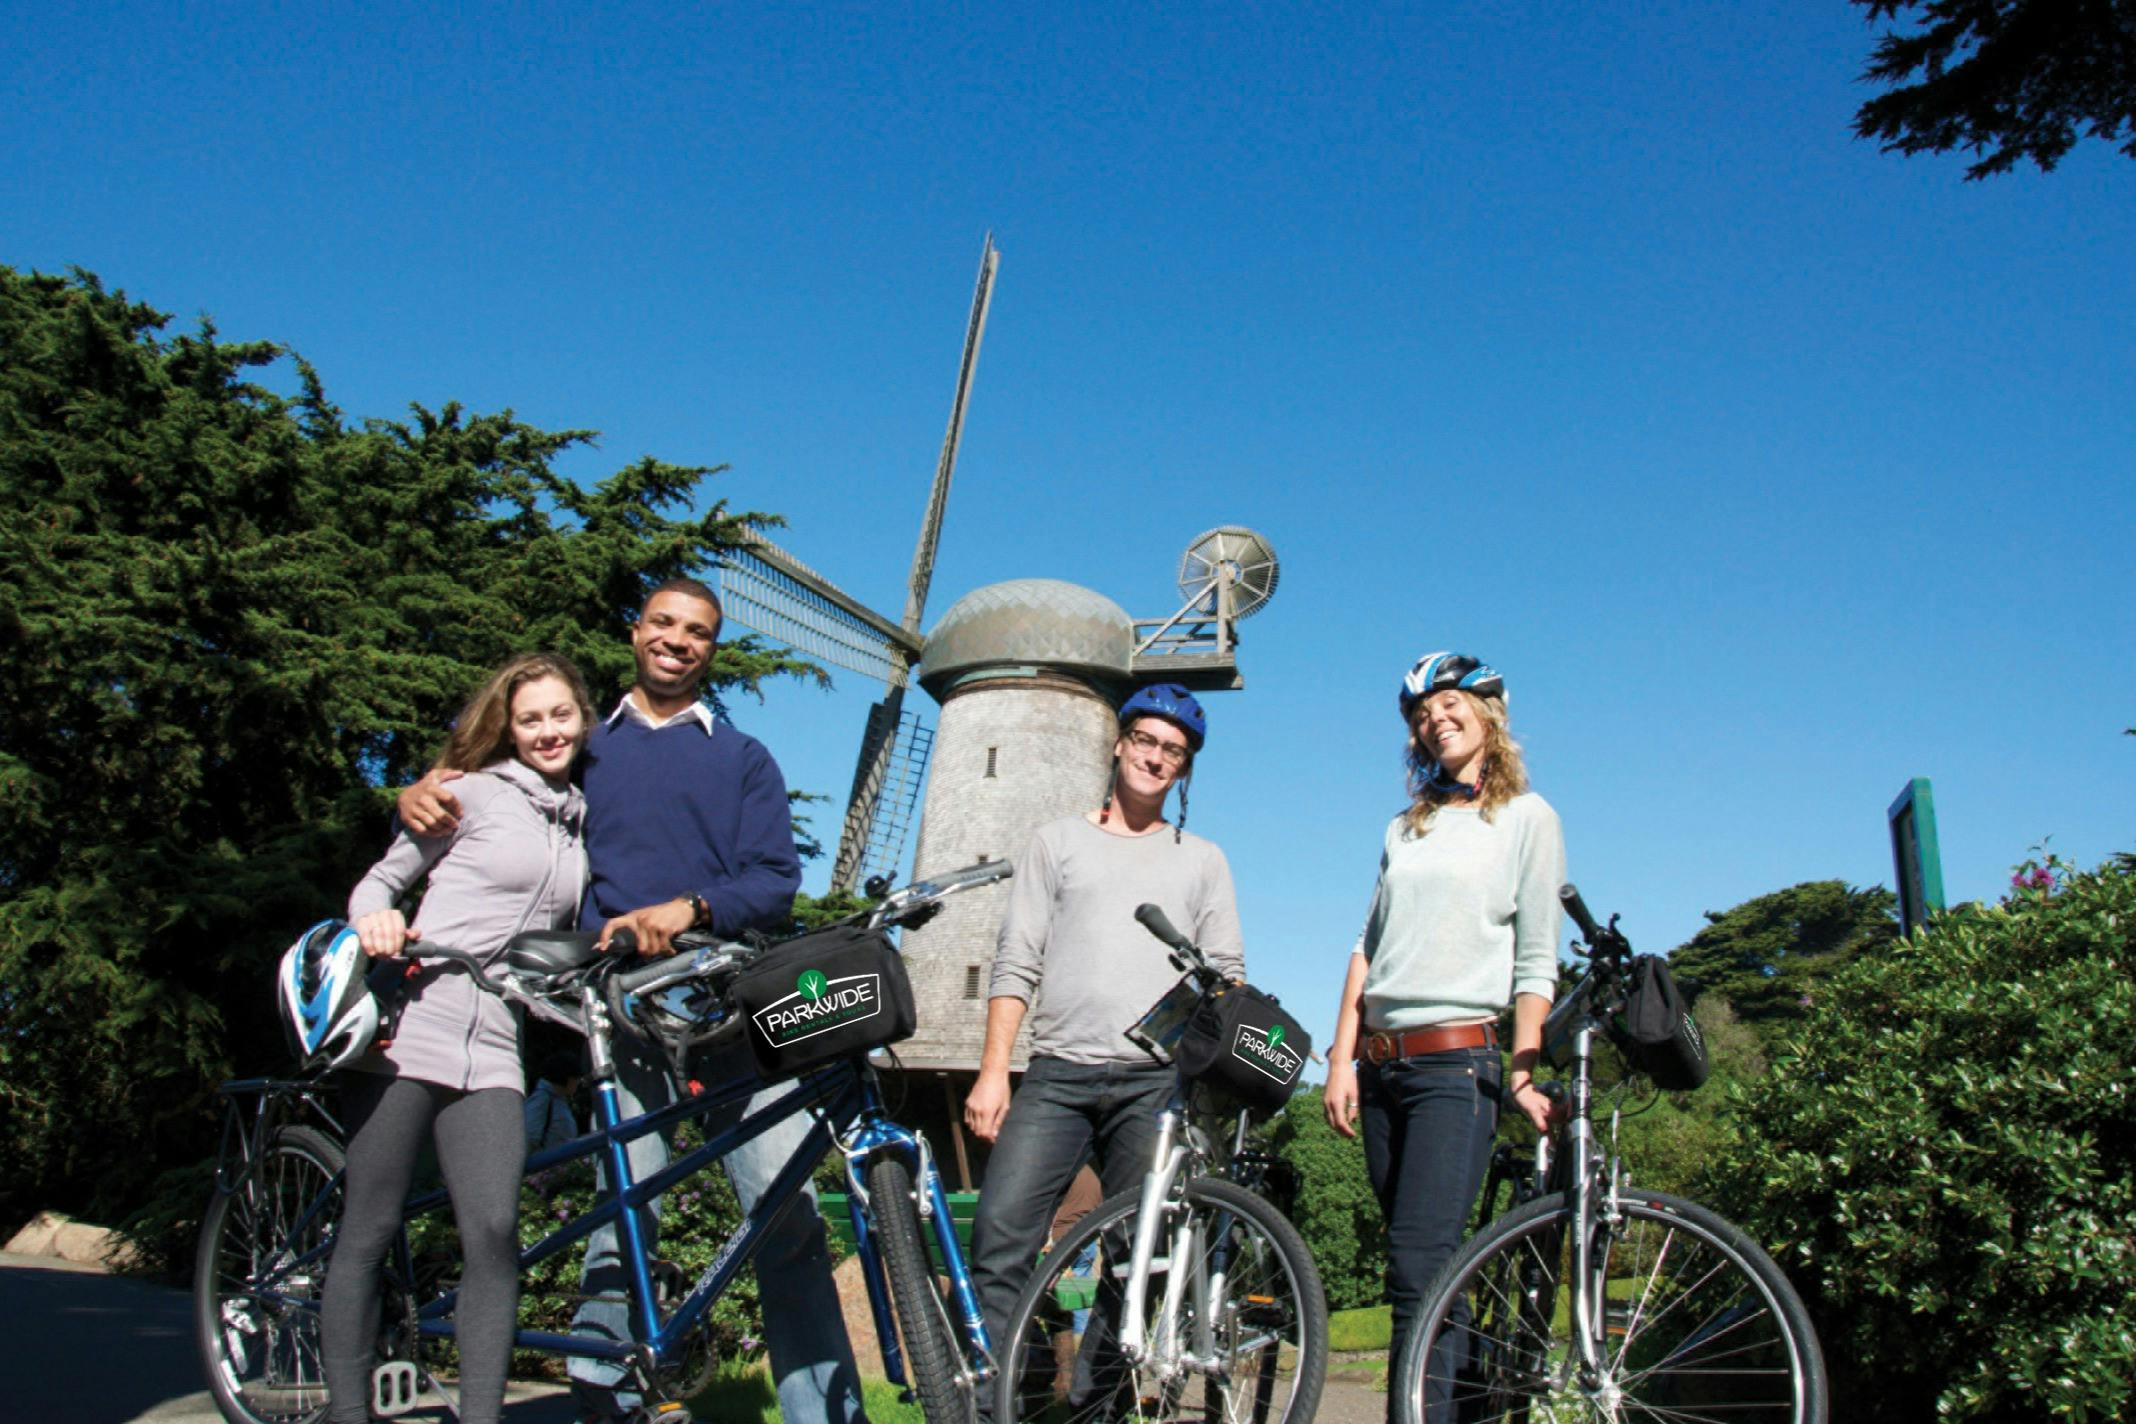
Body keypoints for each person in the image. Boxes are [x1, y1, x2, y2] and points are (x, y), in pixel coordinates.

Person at [397, 577, 866, 1424]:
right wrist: (424, 792)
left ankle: (825, 1417)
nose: (678, 641)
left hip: (729, 995)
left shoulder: (743, 758)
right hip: (622, 1004)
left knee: (787, 1209)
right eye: (665, 624)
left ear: (710, 650)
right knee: (628, 1209)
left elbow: (775, 881)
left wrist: (689, 908)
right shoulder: (588, 749)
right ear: (636, 632)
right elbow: (498, 786)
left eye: (698, 632)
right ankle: (605, 1404)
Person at [322, 652, 595, 1424]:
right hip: (414, 1022)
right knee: (371, 1225)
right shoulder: (466, 794)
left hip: (496, 1041)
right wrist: (374, 919)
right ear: (508, 728)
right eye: (531, 718)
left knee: (496, 1232)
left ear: (583, 716)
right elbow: (380, 882)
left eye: (560, 715)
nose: (548, 731)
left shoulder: (576, 821)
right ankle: (348, 1414)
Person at [964, 683, 1246, 1367]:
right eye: (1145, 741)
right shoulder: (1056, 842)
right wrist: (995, 1070)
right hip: (1058, 1071)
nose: (1155, 757)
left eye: (1172, 751)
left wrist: (1171, 1038)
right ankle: (1002, 1402)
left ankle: (1099, 1405)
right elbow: (1017, 959)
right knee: (1000, 1238)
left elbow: (1226, 975)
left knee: (1136, 1257)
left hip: (1152, 1084)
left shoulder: (1201, 858)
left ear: (1184, 767)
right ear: (1119, 743)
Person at [1321, 652, 1564, 1424]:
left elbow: (1535, 957)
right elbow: (1367, 944)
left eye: (1451, 703)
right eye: (1422, 715)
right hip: (1381, 1068)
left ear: (1489, 712)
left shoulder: (1528, 819)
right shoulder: (1404, 828)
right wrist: (1340, 1059)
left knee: (1417, 1270)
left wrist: (1522, 1070)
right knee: (1433, 1278)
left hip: (1457, 1065)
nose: (1436, 720)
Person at [525, 1049, 584, 1152]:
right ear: (569, 1079)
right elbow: (529, 1137)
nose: (578, 1082)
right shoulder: (542, 1099)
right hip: (546, 1165)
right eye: (577, 1078)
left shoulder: (558, 1100)